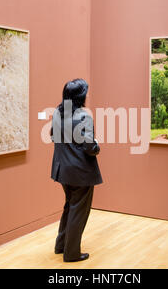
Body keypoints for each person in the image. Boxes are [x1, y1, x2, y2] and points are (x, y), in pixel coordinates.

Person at [50, 78, 103, 262]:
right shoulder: (84, 116)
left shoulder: (58, 112)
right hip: (80, 172)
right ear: (80, 96)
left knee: (69, 206)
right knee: (78, 211)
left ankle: (61, 245)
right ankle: (71, 253)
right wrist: (97, 145)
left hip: (62, 170)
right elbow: (90, 147)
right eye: (86, 92)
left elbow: (52, 136)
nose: (88, 95)